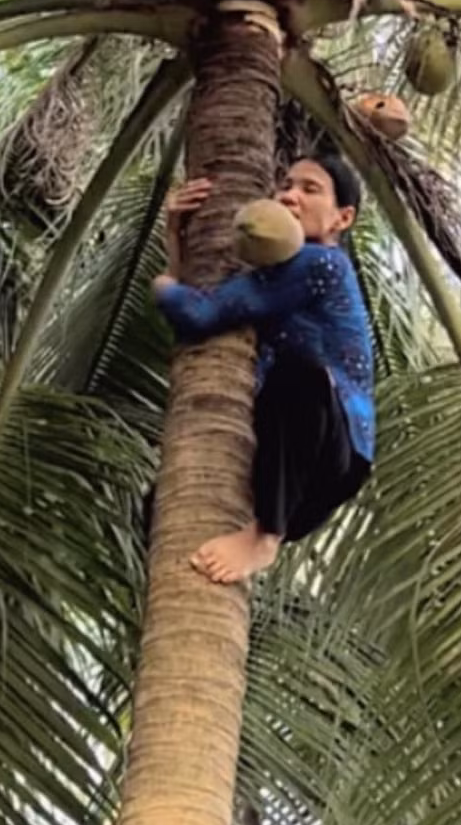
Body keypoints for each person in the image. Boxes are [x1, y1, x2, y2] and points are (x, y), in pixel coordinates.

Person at [152, 151, 375, 584]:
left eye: (310, 190)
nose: (290, 196)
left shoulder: (322, 263)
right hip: (287, 472)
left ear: (341, 219)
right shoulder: (276, 276)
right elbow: (205, 314)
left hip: (328, 453)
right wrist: (177, 234)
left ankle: (264, 538)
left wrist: (162, 286)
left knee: (297, 372)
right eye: (286, 185)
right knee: (159, 503)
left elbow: (199, 314)